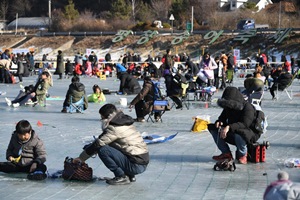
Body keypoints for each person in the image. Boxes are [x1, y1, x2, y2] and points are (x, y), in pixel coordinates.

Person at [73, 104, 149, 185]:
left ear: (107, 117)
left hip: (136, 165)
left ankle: (121, 176)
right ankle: (130, 175)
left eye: (102, 117)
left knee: (103, 150)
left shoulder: (115, 128)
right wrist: (89, 148)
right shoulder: (122, 122)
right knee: (110, 146)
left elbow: (99, 143)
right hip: (140, 160)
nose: (101, 120)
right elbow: (103, 140)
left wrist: (81, 158)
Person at [208, 86, 259, 164]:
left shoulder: (247, 107)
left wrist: (228, 127)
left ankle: (243, 154)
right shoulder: (229, 107)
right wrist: (219, 122)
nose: (229, 106)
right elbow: (222, 118)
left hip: (249, 134)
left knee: (240, 132)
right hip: (233, 131)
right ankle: (226, 153)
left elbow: (245, 124)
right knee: (213, 128)